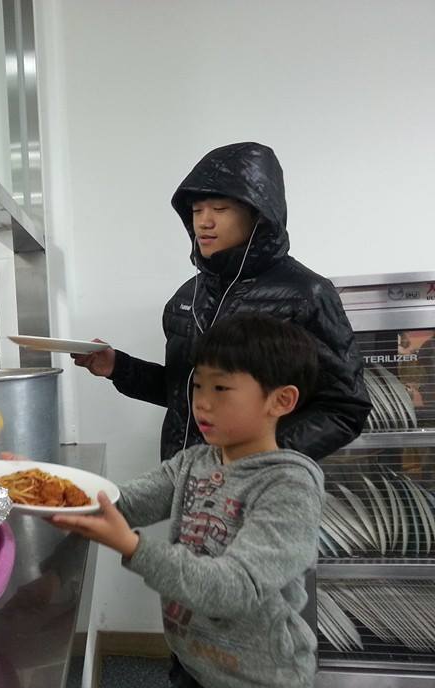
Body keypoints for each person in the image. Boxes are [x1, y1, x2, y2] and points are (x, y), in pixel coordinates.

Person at [54, 313, 323, 688]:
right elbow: (124, 502)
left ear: (281, 400)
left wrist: (133, 547)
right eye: (197, 385)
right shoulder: (193, 462)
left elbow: (235, 588)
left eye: (221, 388)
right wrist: (45, 489)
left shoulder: (288, 487)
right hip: (192, 664)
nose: (202, 402)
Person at [73, 142, 371, 462]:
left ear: (258, 214)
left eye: (220, 209)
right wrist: (118, 367)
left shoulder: (307, 295)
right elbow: (184, 393)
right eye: (196, 211)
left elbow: (344, 408)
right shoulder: (186, 298)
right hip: (184, 476)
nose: (204, 222)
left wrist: (255, 457)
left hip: (259, 483)